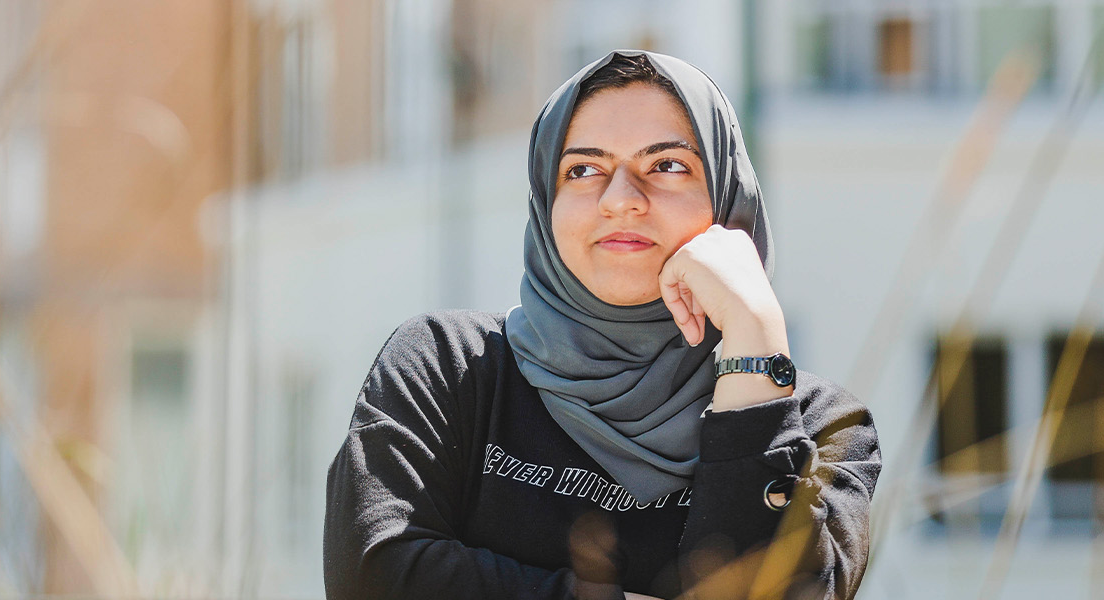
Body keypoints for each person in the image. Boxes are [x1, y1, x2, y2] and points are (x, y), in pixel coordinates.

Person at [322, 50, 881, 600]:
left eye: (667, 165)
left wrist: (754, 339)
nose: (620, 200)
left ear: (727, 199)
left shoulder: (822, 426)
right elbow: (373, 577)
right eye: (583, 170)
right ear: (546, 200)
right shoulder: (447, 368)